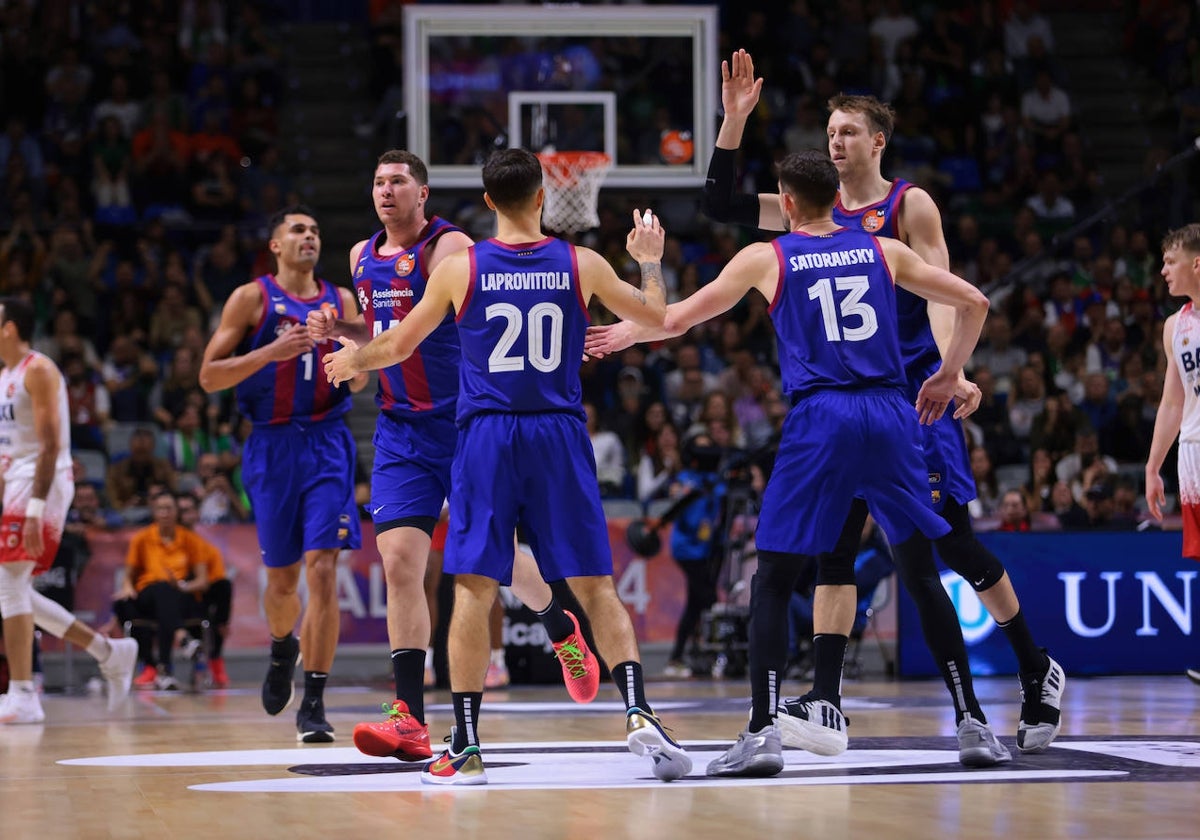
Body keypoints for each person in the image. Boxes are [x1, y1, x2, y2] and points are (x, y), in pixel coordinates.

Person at [694, 50, 1065, 762]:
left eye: (849, 132)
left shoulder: (907, 204)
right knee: (835, 549)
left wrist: (954, 374)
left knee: (943, 545)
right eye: (830, 132)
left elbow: (942, 295)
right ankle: (827, 697)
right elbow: (720, 206)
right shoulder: (813, 212)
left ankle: (1031, 663)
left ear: (877, 142)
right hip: (851, 401)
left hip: (912, 392)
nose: (836, 142)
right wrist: (733, 123)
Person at [585, 148, 990, 777]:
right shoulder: (884, 250)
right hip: (889, 413)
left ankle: (762, 732)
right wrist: (948, 374)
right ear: (837, 198)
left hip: (821, 417)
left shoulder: (767, 256)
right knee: (921, 571)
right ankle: (972, 723)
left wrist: (649, 265)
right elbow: (975, 302)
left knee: (773, 576)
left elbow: (672, 320)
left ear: (789, 204)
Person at [323, 147, 690, 786]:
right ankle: (639, 712)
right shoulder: (582, 262)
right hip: (557, 431)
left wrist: (354, 359)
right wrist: (651, 261)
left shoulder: (460, 267)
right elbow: (658, 320)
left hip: (486, 433)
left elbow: (400, 342)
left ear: (486, 202)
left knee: (473, 585)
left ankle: (465, 744)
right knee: (596, 584)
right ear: (544, 196)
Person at [305, 150, 599, 764]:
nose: (386, 191)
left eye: (398, 182)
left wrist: (356, 357)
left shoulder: (453, 249)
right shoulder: (361, 257)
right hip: (401, 427)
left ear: (423, 192)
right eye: (378, 181)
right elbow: (383, 332)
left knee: (494, 559)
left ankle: (558, 624)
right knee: (400, 561)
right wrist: (348, 335)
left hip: (467, 420)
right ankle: (409, 717)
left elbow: (417, 329)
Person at [198, 205, 366, 743]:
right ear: (275, 245)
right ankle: (280, 648)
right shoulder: (251, 299)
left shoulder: (340, 301)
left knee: (323, 570)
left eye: (316, 230)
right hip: (270, 446)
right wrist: (272, 351)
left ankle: (313, 701)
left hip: (327, 443)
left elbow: (361, 382)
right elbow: (208, 377)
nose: (309, 236)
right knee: (283, 582)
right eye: (298, 230)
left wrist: (350, 355)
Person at [0, 297, 137, 723]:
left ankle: (23, 692)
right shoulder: (3, 375)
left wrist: (37, 509)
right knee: (12, 589)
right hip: (13, 482)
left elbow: (50, 444)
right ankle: (110, 652)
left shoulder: (37, 369)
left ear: (10, 328)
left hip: (43, 481)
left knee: (9, 582)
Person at [1145, 222, 1200, 686]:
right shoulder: (1174, 326)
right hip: (1192, 454)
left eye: (1170, 261)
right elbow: (1172, 401)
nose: (1162, 270)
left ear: (1197, 263)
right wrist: (1153, 465)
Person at [113, 491, 210, 690]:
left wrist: (182, 585)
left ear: (176, 512)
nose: (165, 513)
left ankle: (164, 672)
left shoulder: (190, 539)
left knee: (167, 598)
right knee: (158, 591)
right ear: (154, 512)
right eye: (160, 509)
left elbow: (202, 581)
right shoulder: (142, 538)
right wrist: (127, 588)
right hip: (147, 594)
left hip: (179, 595)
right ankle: (180, 643)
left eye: (169, 508)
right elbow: (128, 576)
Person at [177, 490, 232, 688]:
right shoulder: (167, 541)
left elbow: (214, 580)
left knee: (224, 587)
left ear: (197, 513)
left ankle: (214, 658)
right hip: (174, 596)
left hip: (198, 594)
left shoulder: (206, 547)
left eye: (189, 510)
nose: (185, 516)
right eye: (181, 511)